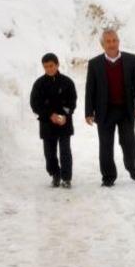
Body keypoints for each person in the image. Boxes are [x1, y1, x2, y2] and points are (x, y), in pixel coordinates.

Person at [84, 28, 135, 187]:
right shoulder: (94, 63)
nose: (111, 44)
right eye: (108, 41)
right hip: (105, 111)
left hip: (125, 110)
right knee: (105, 146)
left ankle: (131, 166)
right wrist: (88, 112)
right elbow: (90, 89)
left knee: (129, 143)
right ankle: (108, 176)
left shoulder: (130, 59)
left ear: (118, 42)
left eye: (114, 40)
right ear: (102, 45)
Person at [29, 53, 78, 188]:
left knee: (65, 151)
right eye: (46, 67)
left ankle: (66, 178)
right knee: (49, 154)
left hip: (64, 123)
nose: (49, 69)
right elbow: (35, 104)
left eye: (51, 66)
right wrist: (50, 115)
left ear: (57, 65)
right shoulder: (39, 84)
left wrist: (65, 115)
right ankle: (55, 174)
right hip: (47, 123)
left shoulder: (67, 82)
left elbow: (72, 101)